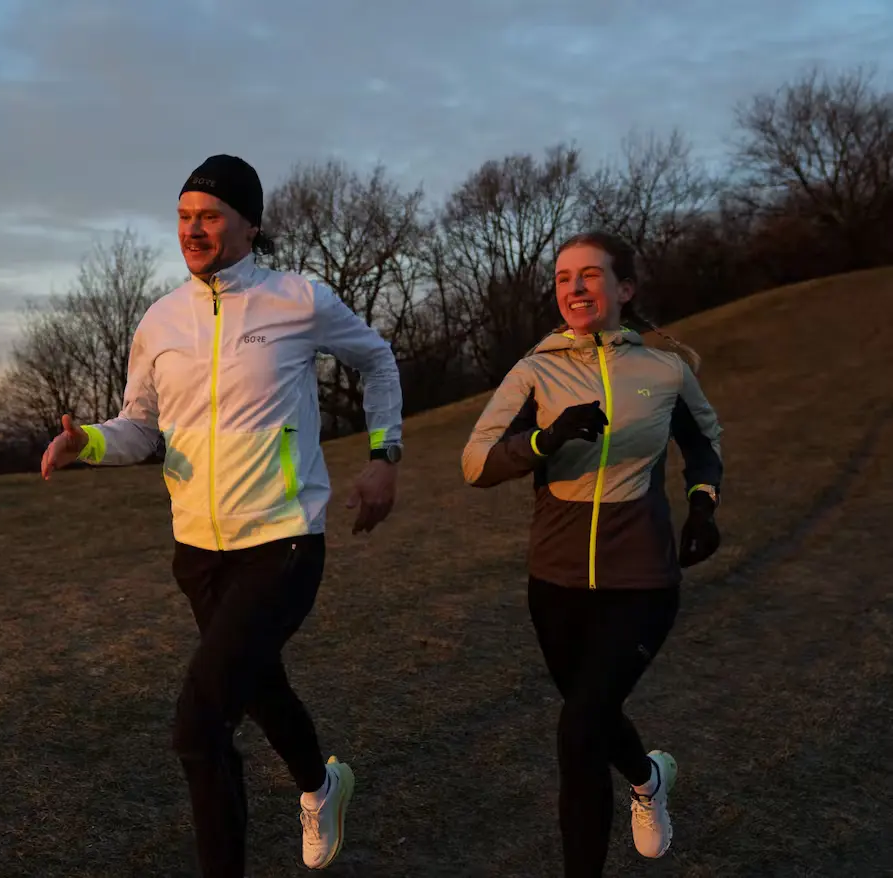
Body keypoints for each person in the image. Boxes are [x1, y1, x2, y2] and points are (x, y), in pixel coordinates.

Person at [41, 153, 405, 877]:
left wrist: (383, 454)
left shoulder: (297, 299)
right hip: (198, 553)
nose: (193, 229)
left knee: (198, 726)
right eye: (183, 216)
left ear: (249, 225)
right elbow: (141, 428)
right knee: (258, 683)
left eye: (209, 215)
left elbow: (377, 361)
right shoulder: (159, 320)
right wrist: (89, 443)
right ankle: (321, 784)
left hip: (282, 539)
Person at [460, 230, 724, 877]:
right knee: (593, 716)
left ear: (623, 288)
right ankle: (647, 779)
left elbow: (703, 445)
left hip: (641, 580)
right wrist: (545, 440)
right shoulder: (534, 371)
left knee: (578, 730)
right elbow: (475, 464)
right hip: (555, 584)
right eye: (562, 277)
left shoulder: (664, 371)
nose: (573, 287)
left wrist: (702, 505)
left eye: (589, 275)